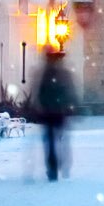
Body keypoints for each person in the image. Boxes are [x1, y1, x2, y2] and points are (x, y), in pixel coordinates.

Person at [33, 51, 75, 181]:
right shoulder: (62, 74)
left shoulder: (46, 74)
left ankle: (54, 167)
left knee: (52, 141)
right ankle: (57, 165)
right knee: (59, 140)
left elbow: (39, 92)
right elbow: (69, 92)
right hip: (55, 112)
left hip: (51, 112)